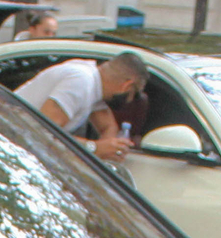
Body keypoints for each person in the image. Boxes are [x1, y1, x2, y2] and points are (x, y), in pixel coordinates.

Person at [13, 51, 146, 161]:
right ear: (127, 85)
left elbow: (108, 127)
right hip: (11, 144)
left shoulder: (93, 83)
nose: (129, 100)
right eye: (133, 94)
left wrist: (107, 153)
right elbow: (43, 131)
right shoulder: (81, 82)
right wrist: (94, 148)